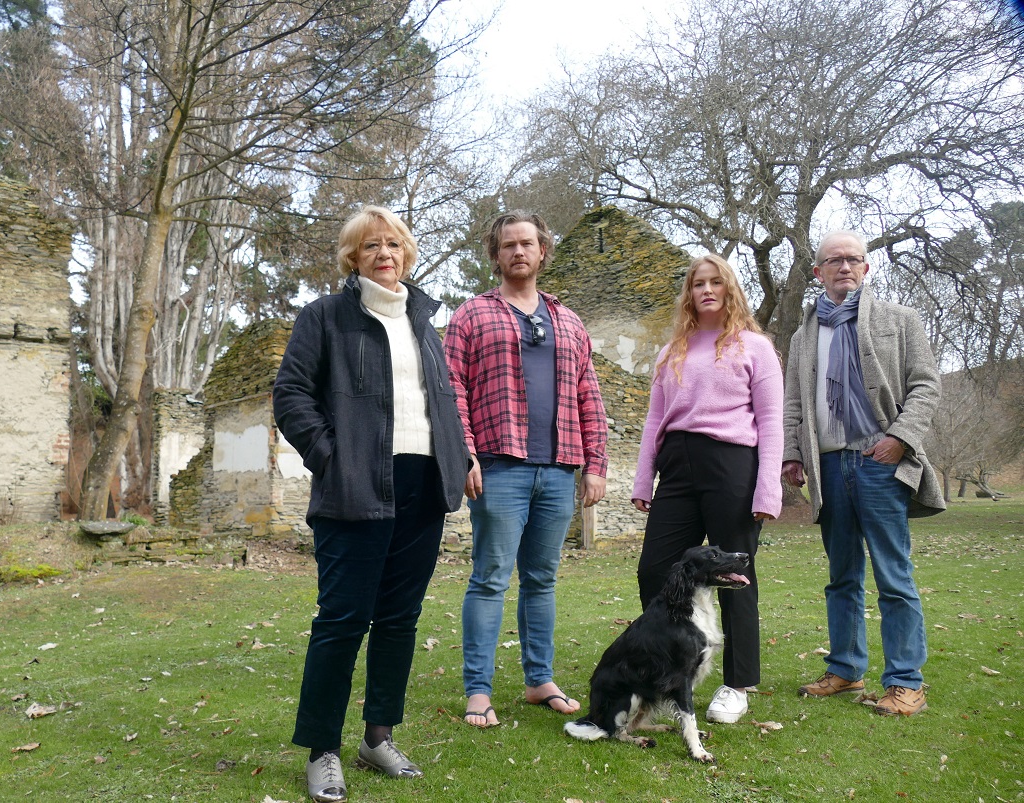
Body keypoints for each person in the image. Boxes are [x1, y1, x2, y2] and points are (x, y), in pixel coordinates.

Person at [273, 206, 470, 803]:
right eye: (369, 247)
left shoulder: (425, 322)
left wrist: (460, 458)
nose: (384, 254)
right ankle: (323, 749)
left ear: (407, 253)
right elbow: (291, 395)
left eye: (393, 244)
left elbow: (438, 402)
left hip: (423, 486)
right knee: (340, 621)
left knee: (400, 619)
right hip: (354, 488)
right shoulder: (326, 317)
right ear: (351, 258)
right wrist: (333, 457)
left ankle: (378, 736)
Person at [444, 210, 608, 729]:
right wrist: (464, 455)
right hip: (499, 469)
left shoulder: (569, 321)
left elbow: (589, 395)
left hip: (558, 471)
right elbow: (452, 392)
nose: (518, 252)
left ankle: (539, 679)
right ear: (495, 255)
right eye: (508, 245)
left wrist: (595, 464)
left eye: (528, 244)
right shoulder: (471, 315)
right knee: (490, 579)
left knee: (542, 579)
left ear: (542, 252)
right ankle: (478, 690)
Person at [783, 230, 944, 717]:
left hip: (880, 463)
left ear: (867, 268)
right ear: (818, 271)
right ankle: (846, 668)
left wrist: (900, 439)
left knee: (893, 575)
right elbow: (793, 403)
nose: (844, 267)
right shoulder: (803, 334)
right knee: (842, 575)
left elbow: (926, 386)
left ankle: (905, 681)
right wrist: (793, 454)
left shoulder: (901, 320)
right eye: (834, 261)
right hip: (829, 466)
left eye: (854, 259)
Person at [630, 253, 783, 725]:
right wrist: (643, 476)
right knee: (654, 568)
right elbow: (656, 418)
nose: (707, 290)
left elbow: (772, 420)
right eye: (698, 284)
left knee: (737, 577)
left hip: (731, 465)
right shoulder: (671, 350)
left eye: (716, 282)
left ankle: (736, 685)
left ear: (730, 288)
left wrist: (767, 489)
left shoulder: (754, 347)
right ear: (690, 293)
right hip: (677, 466)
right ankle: (676, 664)